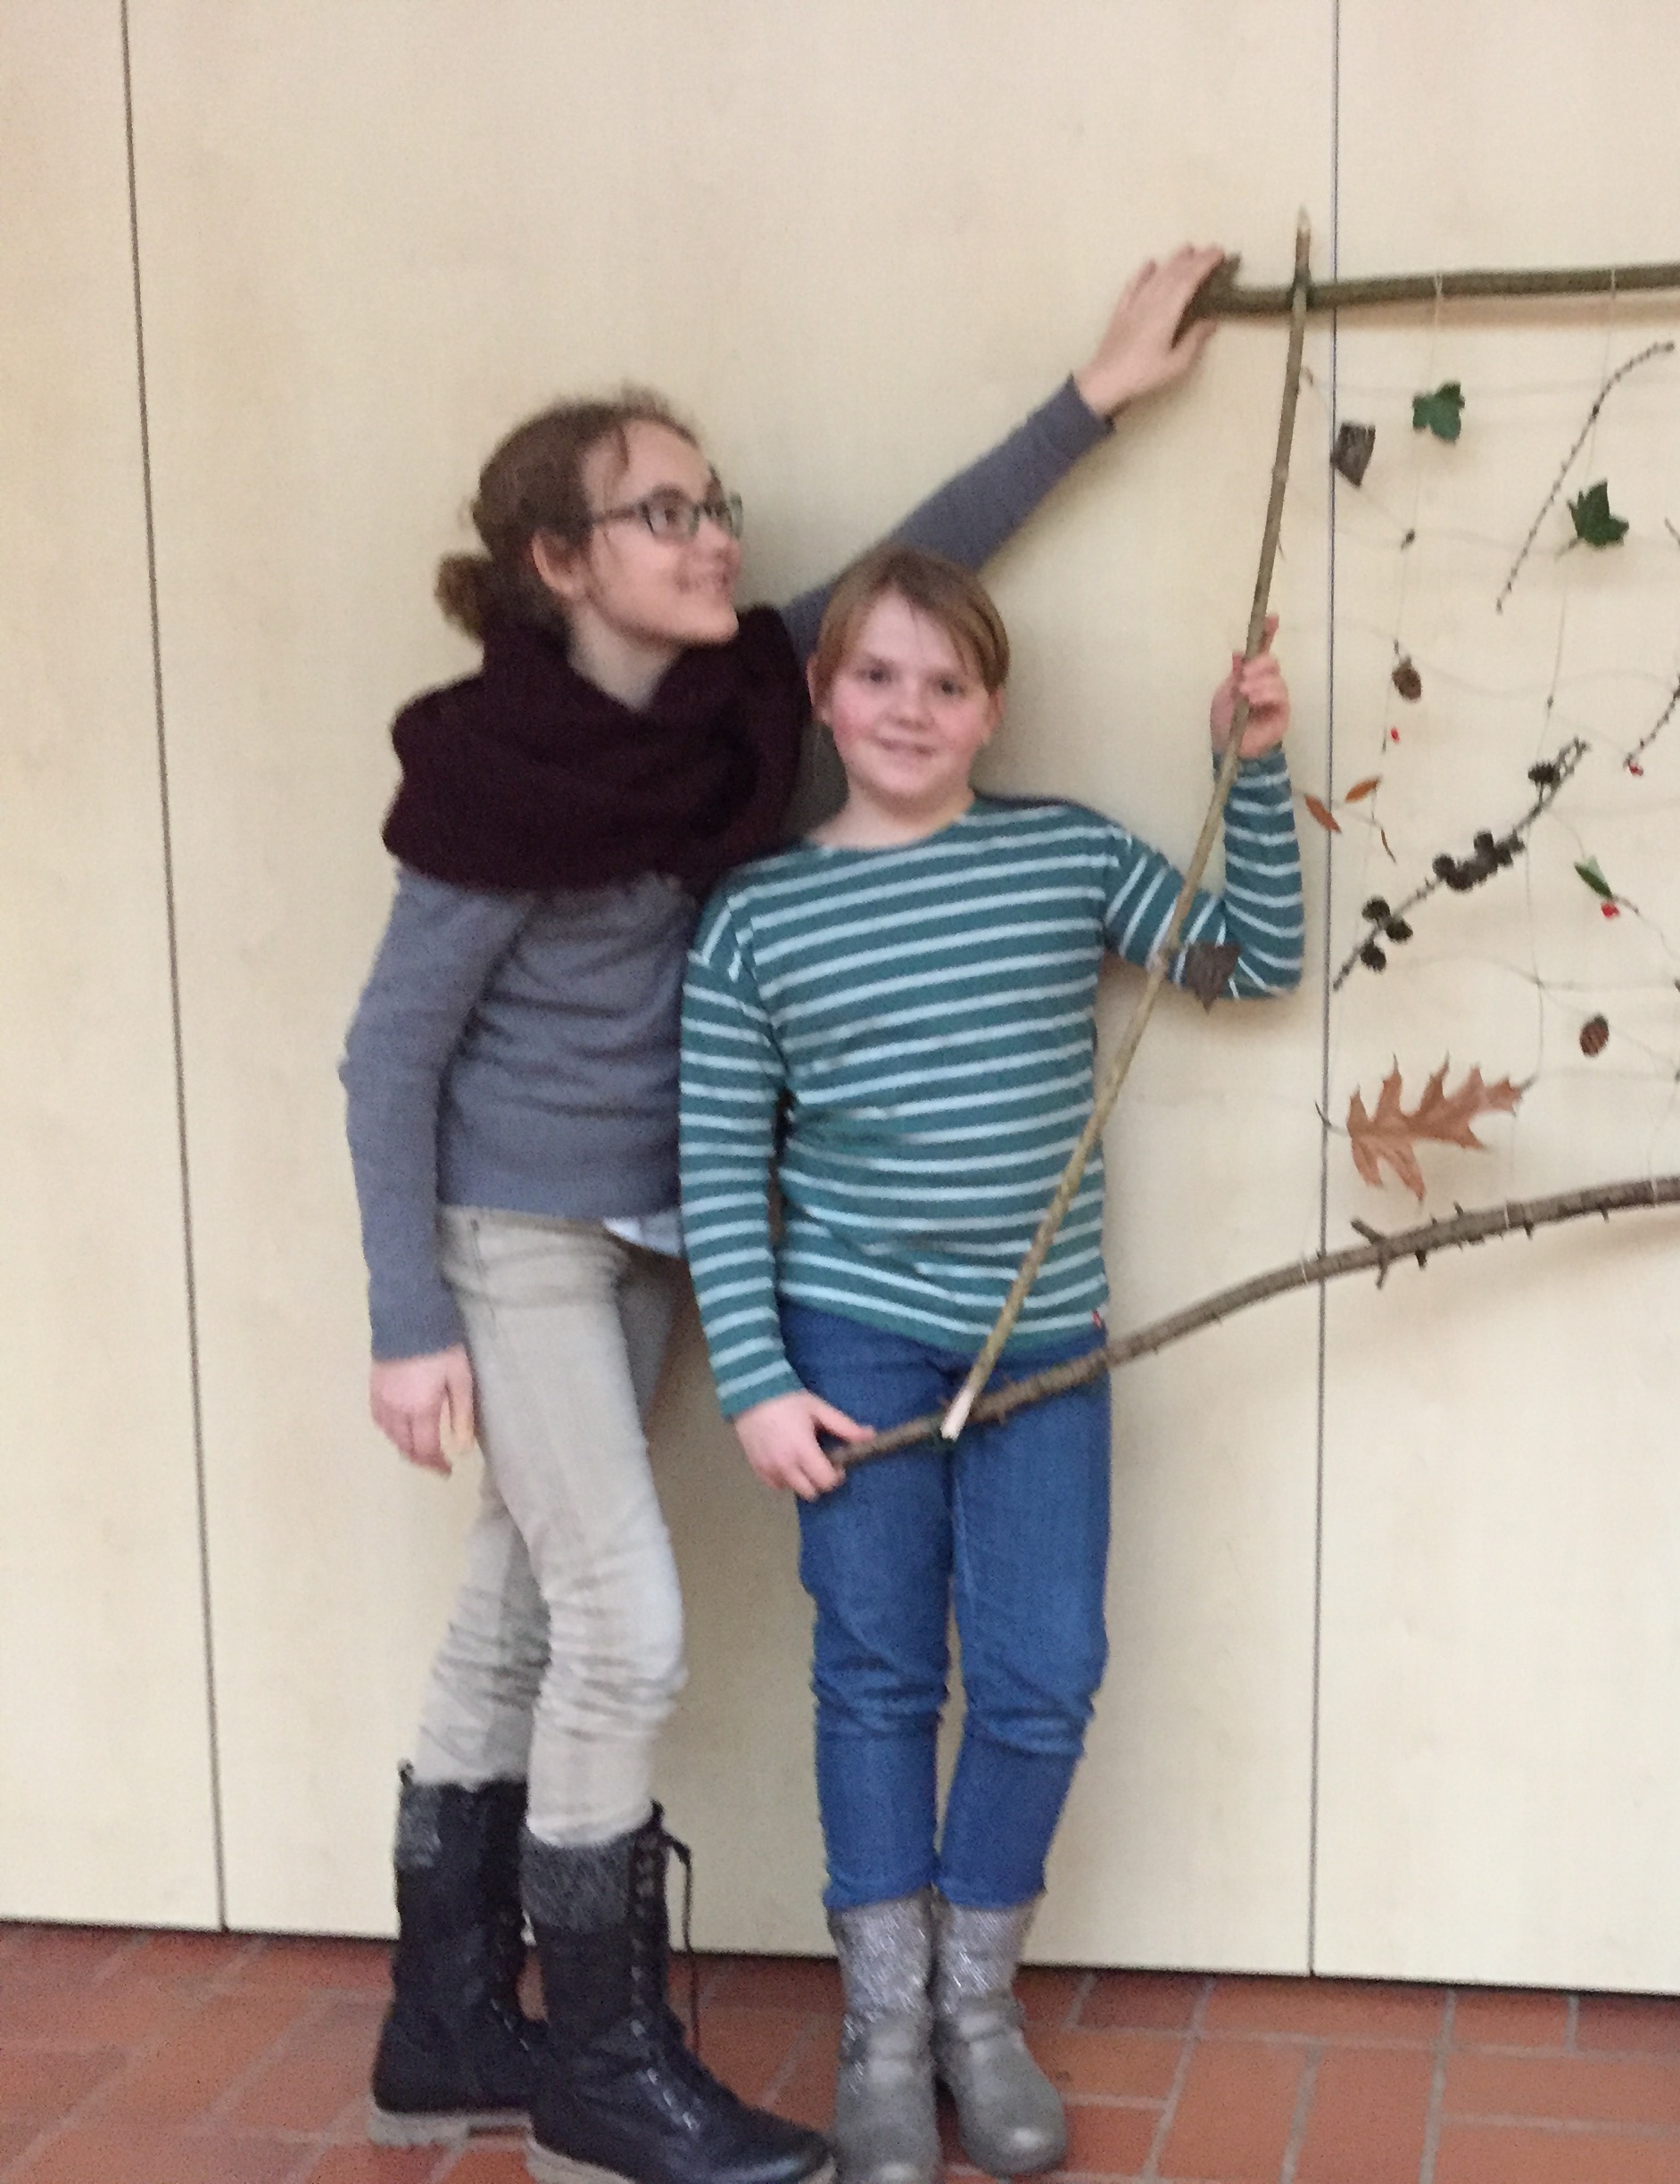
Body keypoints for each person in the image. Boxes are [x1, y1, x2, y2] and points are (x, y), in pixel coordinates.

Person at [339, 246, 1229, 2184]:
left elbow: (934, 563)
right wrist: (411, 1317)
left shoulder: (743, 696)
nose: (712, 532)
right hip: (523, 1228)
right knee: (625, 1624)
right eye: (664, 511)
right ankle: (600, 2068)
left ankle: (444, 2022)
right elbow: (389, 1055)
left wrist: (1094, 395)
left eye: (714, 501)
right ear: (563, 560)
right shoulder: (495, 776)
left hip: (659, 1232)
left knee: (517, 1600)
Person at [675, 545, 1303, 2182]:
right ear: (822, 697)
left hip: (1043, 1350)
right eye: (876, 675)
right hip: (849, 1343)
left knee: (1041, 1673)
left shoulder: (1063, 858)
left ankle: (974, 2003)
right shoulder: (758, 919)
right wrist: (754, 1376)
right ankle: (882, 2029)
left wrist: (1249, 770)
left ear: (991, 710)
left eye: (946, 682)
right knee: (877, 1673)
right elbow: (718, 1166)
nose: (910, 707)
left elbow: (1250, 958)